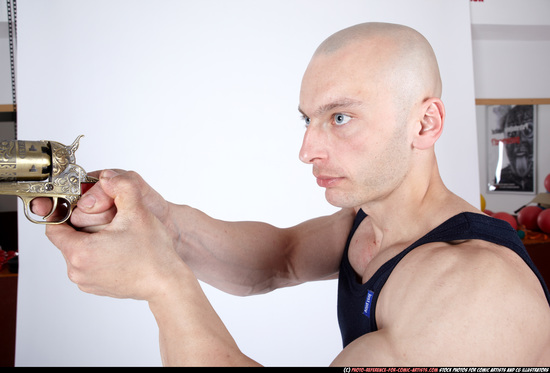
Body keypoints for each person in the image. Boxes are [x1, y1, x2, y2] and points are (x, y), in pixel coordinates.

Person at [33, 22, 550, 366]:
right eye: (308, 119)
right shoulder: (371, 220)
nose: (307, 149)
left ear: (425, 122)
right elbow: (277, 260)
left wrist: (162, 283)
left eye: (340, 117)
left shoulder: (473, 291)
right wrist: (155, 216)